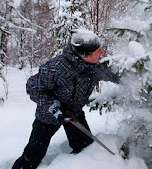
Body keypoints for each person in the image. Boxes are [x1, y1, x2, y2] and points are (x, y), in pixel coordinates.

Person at [12, 28, 119, 169]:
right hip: (48, 116)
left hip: (73, 113)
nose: (102, 53)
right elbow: (32, 88)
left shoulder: (95, 67)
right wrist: (55, 108)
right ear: (85, 55)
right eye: (98, 50)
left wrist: (137, 78)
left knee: (85, 147)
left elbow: (117, 76)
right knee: (33, 154)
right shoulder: (55, 68)